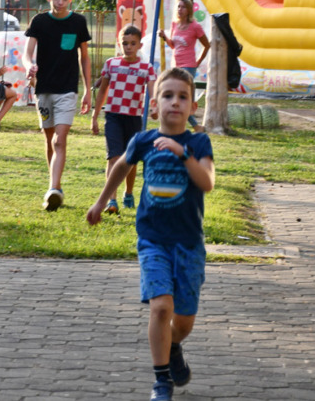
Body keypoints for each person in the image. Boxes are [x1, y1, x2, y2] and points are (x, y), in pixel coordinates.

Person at [87, 67, 216, 401]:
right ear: (154, 105)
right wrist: (102, 201)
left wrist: (182, 153)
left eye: (183, 97)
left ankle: (173, 346)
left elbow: (207, 182)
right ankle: (161, 380)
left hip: (188, 244)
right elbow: (122, 166)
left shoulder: (198, 142)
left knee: (183, 322)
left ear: (192, 107)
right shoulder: (143, 140)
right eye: (167, 95)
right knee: (161, 307)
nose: (175, 102)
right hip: (152, 239)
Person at [23, 0, 92, 211]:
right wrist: (29, 66)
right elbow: (27, 53)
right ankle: (56, 186)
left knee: (59, 140)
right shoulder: (39, 21)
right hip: (43, 89)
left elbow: (84, 58)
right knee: (49, 139)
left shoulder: (78, 22)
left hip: (67, 90)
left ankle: (53, 189)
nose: (60, 2)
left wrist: (87, 90)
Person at [91, 23, 156, 214]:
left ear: (139, 45)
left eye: (133, 43)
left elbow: (153, 91)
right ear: (119, 44)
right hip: (113, 116)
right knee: (114, 157)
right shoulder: (111, 64)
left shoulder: (146, 68)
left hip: (134, 118)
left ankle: (128, 193)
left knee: (131, 159)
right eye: (125, 43)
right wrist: (95, 116)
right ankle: (111, 200)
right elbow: (103, 90)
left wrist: (154, 106)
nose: (128, 47)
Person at [157, 0, 210, 128]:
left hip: (188, 66)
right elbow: (173, 45)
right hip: (176, 65)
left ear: (189, 10)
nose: (180, 9)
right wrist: (164, 37)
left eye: (183, 7)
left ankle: (194, 126)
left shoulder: (195, 26)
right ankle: (189, 126)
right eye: (178, 7)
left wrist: (198, 61)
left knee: (183, 97)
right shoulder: (174, 24)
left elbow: (207, 45)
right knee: (176, 96)